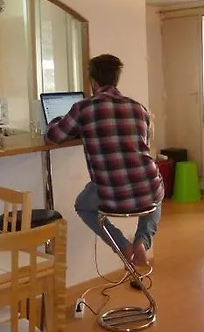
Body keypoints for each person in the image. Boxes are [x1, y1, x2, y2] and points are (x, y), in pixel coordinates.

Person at [45, 54, 164, 269]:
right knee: (156, 191)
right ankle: (142, 242)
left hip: (110, 194)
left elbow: (53, 136)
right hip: (147, 187)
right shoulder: (139, 108)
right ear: (116, 79)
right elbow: (142, 147)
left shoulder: (83, 109)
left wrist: (58, 121)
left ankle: (123, 245)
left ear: (93, 82)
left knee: (83, 205)